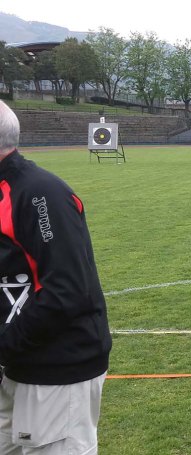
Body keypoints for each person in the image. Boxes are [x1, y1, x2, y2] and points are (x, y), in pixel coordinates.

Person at [0, 100, 112, 452]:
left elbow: (66, 290)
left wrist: (4, 345)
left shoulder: (40, 193)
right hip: (14, 363)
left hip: (56, 369)